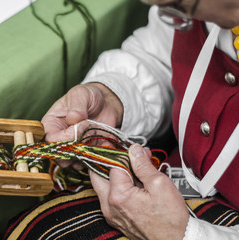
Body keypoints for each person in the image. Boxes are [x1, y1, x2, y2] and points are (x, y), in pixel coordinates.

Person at [41, 0, 239, 239]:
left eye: (177, 4)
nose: (169, 12)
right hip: (180, 179)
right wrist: (112, 98)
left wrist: (183, 234)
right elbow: (161, 55)